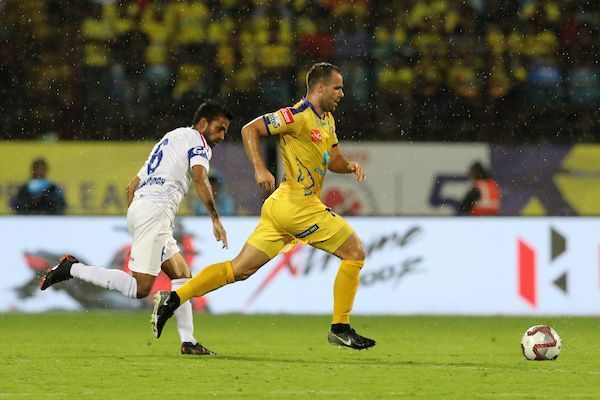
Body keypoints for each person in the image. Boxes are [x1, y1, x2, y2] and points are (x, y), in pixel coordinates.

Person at [151, 62, 376, 351]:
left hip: (281, 209)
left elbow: (334, 160)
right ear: (319, 87)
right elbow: (250, 129)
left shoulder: (327, 121)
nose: (342, 93)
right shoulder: (296, 115)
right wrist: (259, 168)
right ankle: (340, 327)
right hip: (298, 205)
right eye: (337, 87)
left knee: (238, 270)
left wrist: (351, 166)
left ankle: (173, 298)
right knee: (355, 253)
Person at [40, 101, 232, 356]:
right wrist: (215, 219)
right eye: (220, 129)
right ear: (204, 123)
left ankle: (189, 341)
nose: (220, 137)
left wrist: (138, 216)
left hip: (147, 211)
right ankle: (71, 268)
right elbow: (199, 177)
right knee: (139, 288)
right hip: (154, 213)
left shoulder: (171, 138)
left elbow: (131, 187)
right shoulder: (198, 142)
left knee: (182, 275)